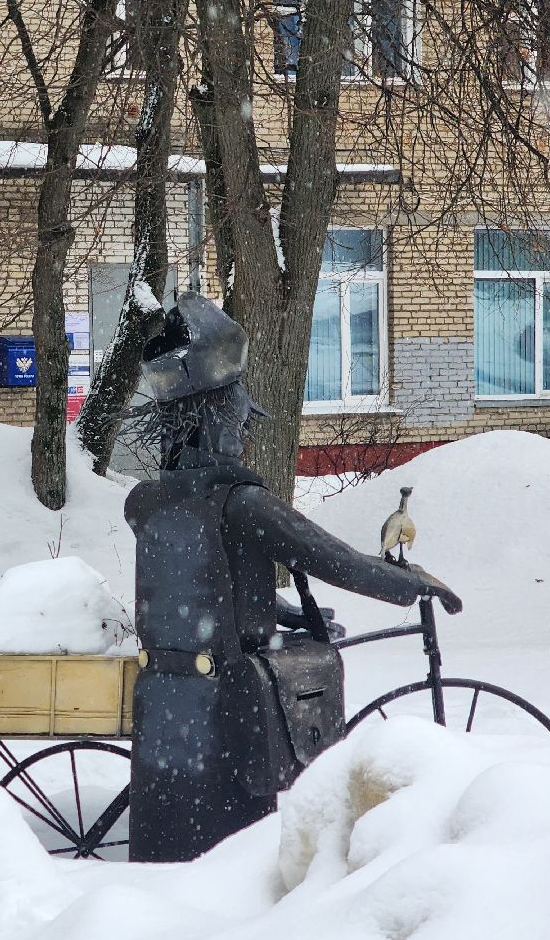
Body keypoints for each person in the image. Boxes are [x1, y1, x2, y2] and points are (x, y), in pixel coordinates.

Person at [124, 292, 461, 863]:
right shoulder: (243, 504)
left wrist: (276, 611)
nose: (242, 428)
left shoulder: (146, 501)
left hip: (165, 707)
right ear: (218, 419)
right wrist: (409, 583)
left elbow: (200, 582)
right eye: (236, 412)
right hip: (229, 710)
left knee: (171, 859)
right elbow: (333, 560)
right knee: (230, 866)